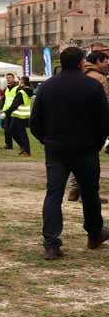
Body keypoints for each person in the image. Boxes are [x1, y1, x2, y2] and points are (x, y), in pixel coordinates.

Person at [29, 46, 109, 259]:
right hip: (85, 148)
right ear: (82, 63)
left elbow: (34, 121)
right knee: (90, 193)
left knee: (54, 194)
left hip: (56, 149)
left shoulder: (47, 86)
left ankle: (51, 243)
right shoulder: (93, 86)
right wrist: (97, 143)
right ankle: (94, 234)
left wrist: (46, 141)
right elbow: (104, 121)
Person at [67, 50, 109, 202]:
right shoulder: (99, 78)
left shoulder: (80, 74)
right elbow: (104, 105)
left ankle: (74, 191)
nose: (108, 65)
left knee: (74, 160)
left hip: (73, 124)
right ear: (98, 61)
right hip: (90, 126)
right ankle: (88, 195)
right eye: (106, 62)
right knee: (89, 163)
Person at [7, 75, 33, 156]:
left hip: (20, 115)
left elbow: (15, 104)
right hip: (17, 114)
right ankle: (22, 146)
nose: (18, 82)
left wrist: (6, 112)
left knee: (22, 133)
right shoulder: (23, 90)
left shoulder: (22, 92)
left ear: (22, 82)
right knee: (11, 131)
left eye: (20, 81)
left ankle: (27, 151)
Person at [0, 73, 19, 150]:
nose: (8, 79)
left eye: (10, 77)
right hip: (5, 112)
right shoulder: (6, 88)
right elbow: (4, 100)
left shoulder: (17, 88)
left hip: (14, 112)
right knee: (6, 129)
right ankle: (8, 145)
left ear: (14, 78)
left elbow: (17, 102)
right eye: (7, 78)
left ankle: (22, 144)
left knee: (13, 130)